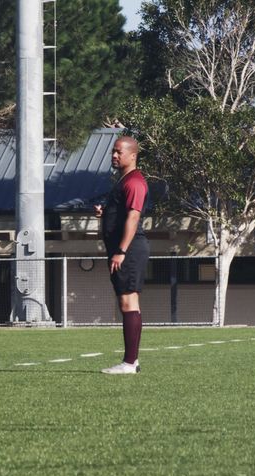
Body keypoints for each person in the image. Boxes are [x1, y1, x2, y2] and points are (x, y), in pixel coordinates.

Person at [94, 135, 149, 374]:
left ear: (132, 155)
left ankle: (128, 363)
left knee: (128, 302)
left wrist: (122, 250)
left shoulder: (135, 181)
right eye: (113, 152)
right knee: (127, 302)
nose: (114, 156)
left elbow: (134, 216)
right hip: (123, 249)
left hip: (129, 250)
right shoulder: (123, 181)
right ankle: (132, 361)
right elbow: (121, 212)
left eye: (119, 152)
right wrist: (104, 213)